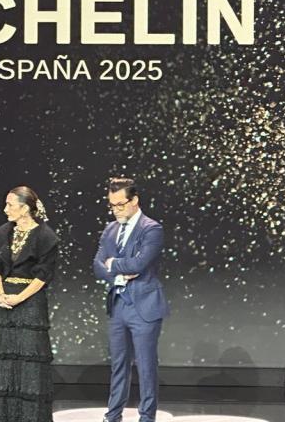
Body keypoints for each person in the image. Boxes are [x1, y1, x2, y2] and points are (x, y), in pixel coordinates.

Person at [93, 177, 169, 422]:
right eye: (112, 205)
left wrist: (113, 263)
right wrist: (117, 274)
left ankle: (146, 417)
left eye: (121, 204)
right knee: (118, 366)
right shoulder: (110, 229)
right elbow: (97, 265)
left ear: (135, 201)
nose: (116, 210)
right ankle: (112, 416)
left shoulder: (151, 228)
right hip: (118, 304)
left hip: (144, 306)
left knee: (146, 368)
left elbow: (140, 263)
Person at [0, 186, 60, 422]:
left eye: (10, 204)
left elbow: (43, 275)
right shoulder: (1, 233)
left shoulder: (46, 237)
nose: (5, 209)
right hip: (5, 302)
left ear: (25, 208)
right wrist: (2, 296)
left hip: (30, 303)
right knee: (6, 361)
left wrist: (18, 298)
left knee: (30, 363)